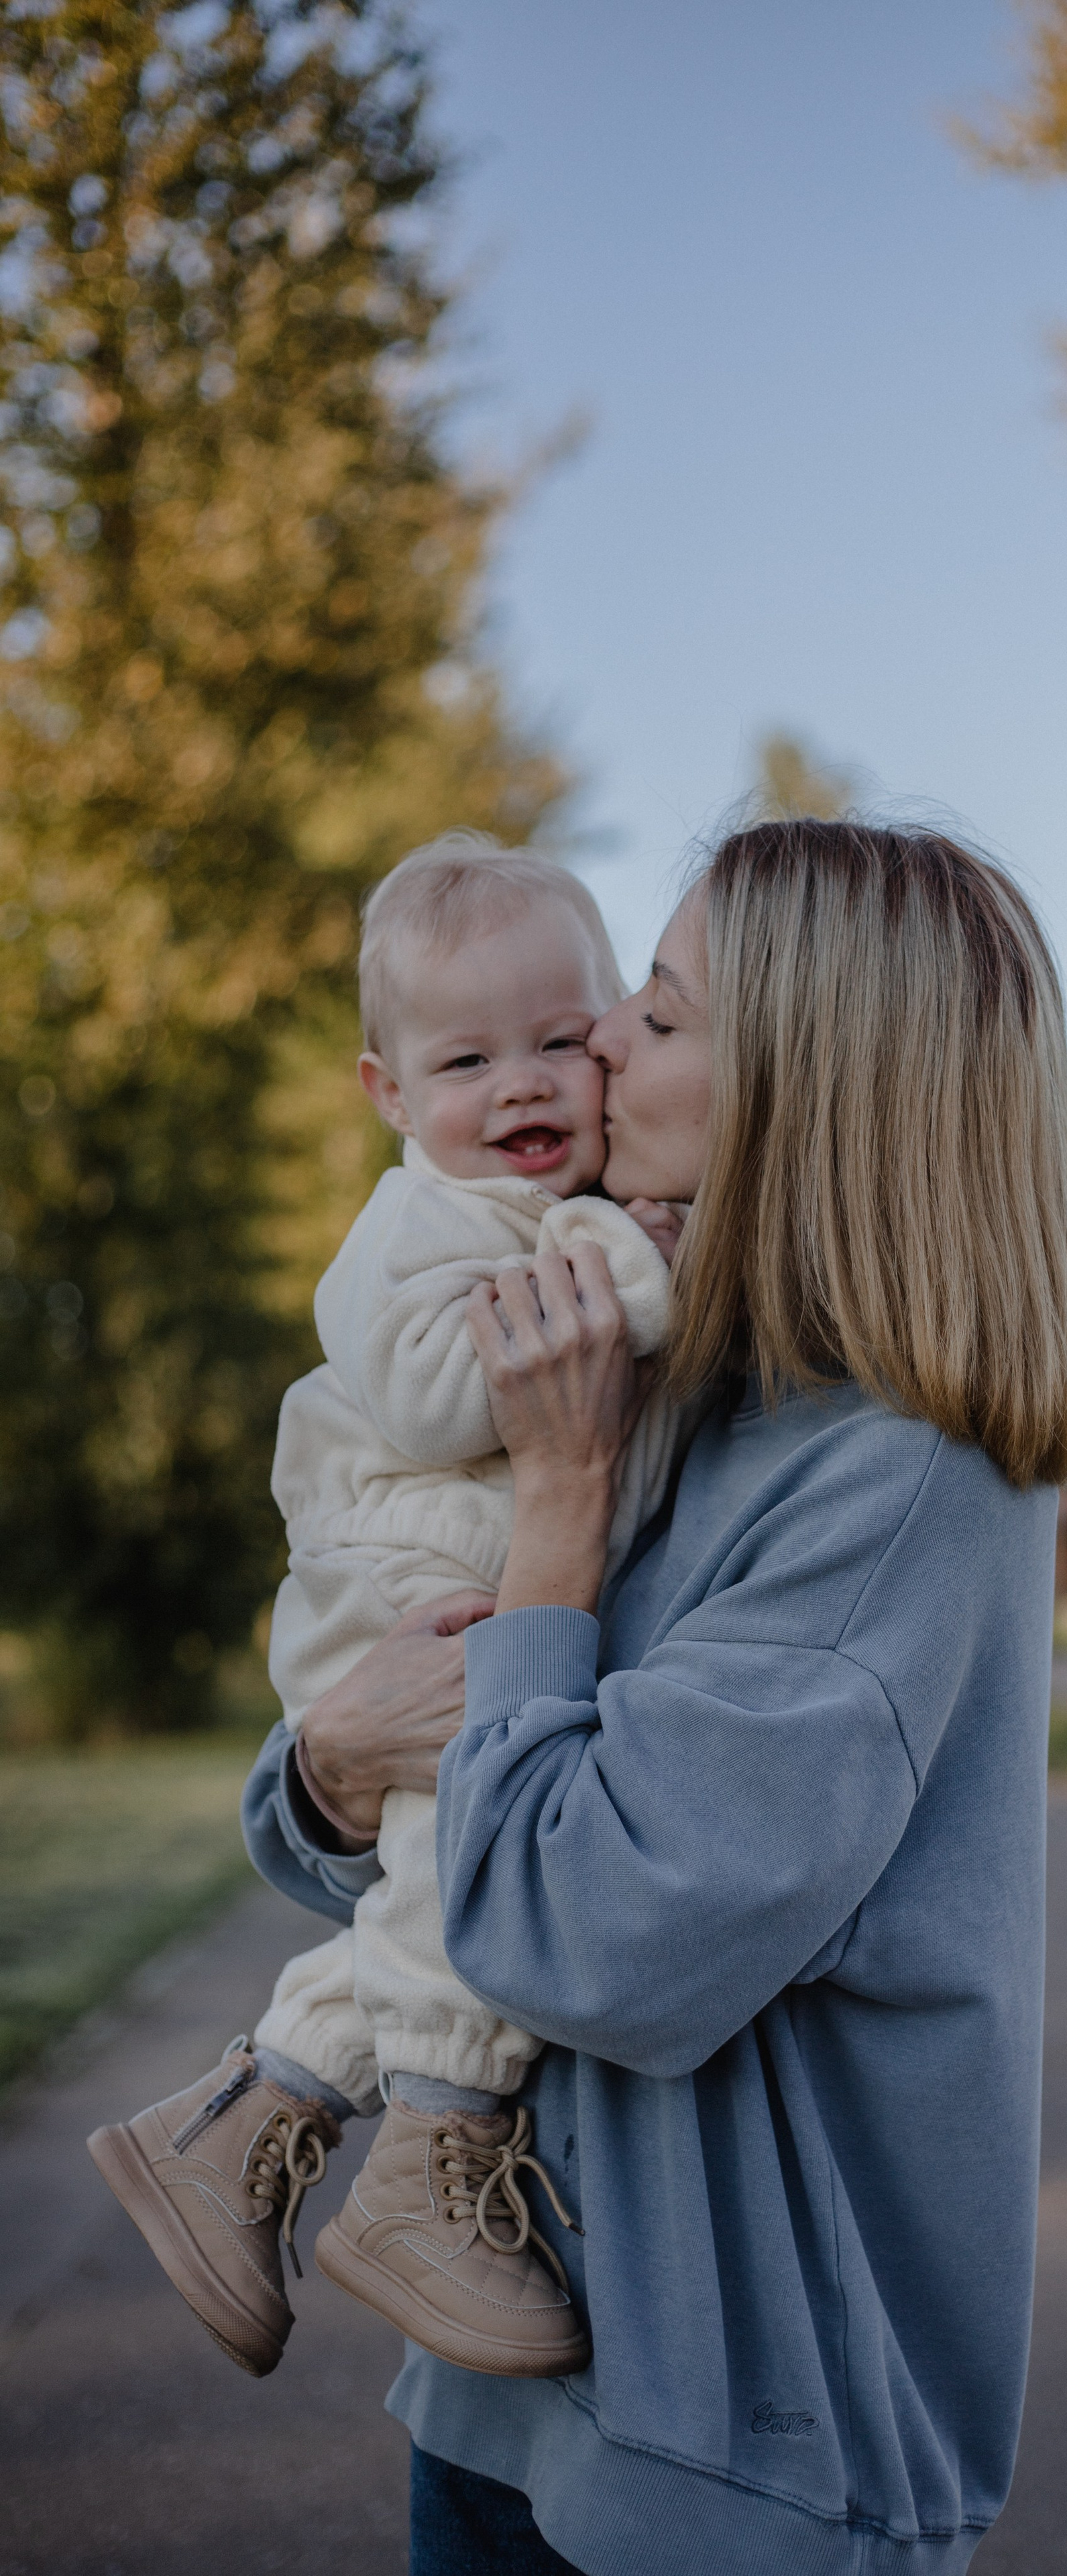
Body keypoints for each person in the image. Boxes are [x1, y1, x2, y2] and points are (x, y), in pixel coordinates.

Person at [251, 821, 1067, 2575]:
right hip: (505, 2391)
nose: (600, 1045)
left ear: (813, 1080)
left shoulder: (897, 1484)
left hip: (728, 2469)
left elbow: (574, 1931)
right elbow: (404, 1810)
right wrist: (329, 1776)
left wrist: (562, 1510)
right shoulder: (664, 1380)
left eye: (661, 1004)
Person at [89, 834, 685, 2381]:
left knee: (443, 1872)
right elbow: (430, 1398)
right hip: (406, 1581)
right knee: (467, 1867)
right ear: (388, 1094)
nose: (522, 1088)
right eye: (468, 1059)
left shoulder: (548, 1200)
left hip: (456, 1569)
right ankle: (434, 2151)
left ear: (615, 1033)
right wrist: (625, 1263)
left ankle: (242, 2119)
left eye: (562, 1041)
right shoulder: (414, 1227)